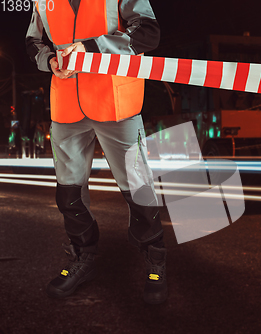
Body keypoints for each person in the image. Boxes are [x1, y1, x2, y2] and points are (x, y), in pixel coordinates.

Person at [25, 0, 168, 304]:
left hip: (117, 101)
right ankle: (83, 257)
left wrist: (91, 48)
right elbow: (33, 42)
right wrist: (49, 60)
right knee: (68, 194)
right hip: (66, 105)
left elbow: (148, 33)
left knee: (138, 190)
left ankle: (156, 260)